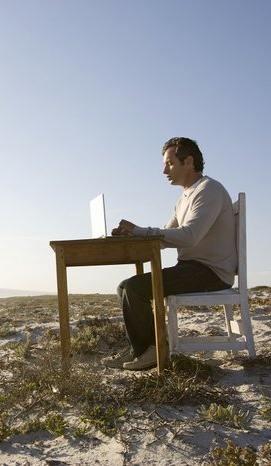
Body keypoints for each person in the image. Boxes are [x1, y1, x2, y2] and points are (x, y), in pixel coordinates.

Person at [103, 137, 237, 370]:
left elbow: (189, 236)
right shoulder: (183, 198)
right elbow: (164, 237)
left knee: (135, 288)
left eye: (170, 163)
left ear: (188, 161)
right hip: (192, 268)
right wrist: (131, 236)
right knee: (124, 286)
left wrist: (139, 230)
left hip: (210, 272)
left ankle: (153, 351)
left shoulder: (209, 189)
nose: (164, 170)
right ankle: (141, 348)